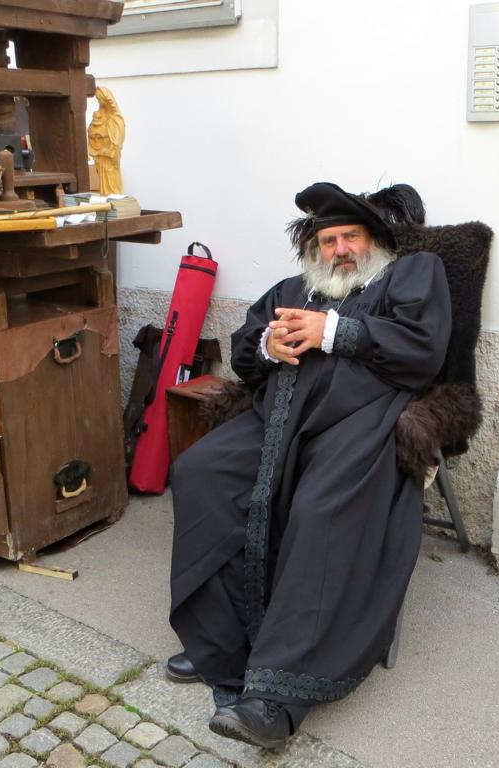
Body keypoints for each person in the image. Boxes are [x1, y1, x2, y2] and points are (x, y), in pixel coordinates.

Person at [167, 181, 453, 750]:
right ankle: (225, 646)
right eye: (328, 240)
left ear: (374, 241)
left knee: (322, 509)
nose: (340, 249)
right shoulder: (293, 288)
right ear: (313, 248)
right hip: (276, 418)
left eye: (351, 235)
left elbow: (424, 349)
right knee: (201, 472)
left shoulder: (413, 273)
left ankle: (278, 695)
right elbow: (245, 352)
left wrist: (335, 331)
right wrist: (269, 347)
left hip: (362, 420)